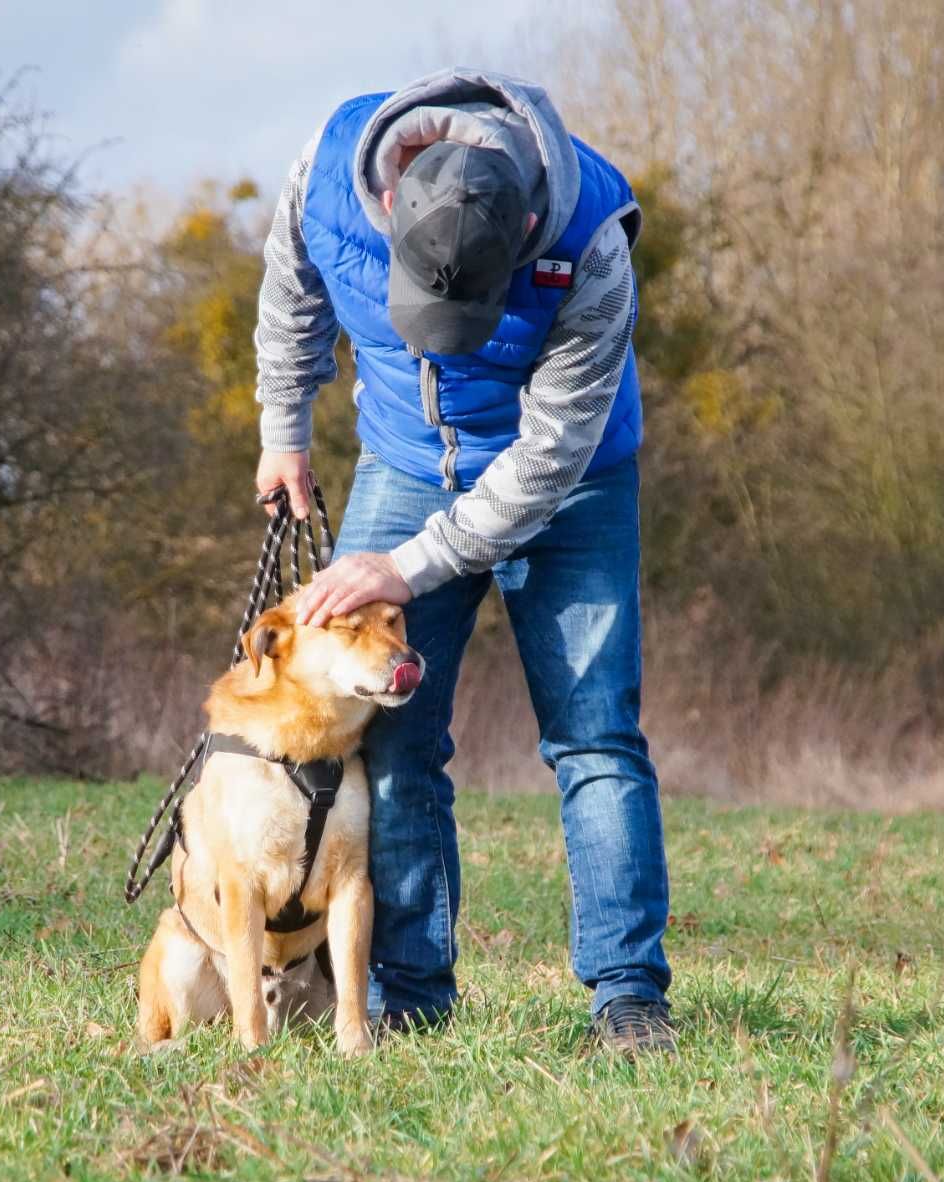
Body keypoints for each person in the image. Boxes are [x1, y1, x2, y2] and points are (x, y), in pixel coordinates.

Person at [252, 68, 672, 1054]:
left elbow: (549, 454)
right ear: (389, 203)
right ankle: (410, 995)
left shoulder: (592, 246)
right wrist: (284, 429)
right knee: (387, 736)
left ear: (526, 226)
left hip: (567, 487)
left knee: (594, 737)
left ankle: (627, 998)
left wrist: (406, 567)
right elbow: (291, 284)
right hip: (404, 463)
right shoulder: (325, 170)